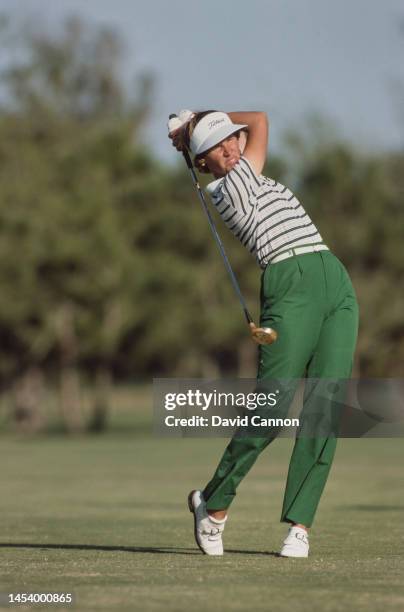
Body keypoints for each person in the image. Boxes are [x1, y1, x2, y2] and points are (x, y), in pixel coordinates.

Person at [169, 110, 359, 558]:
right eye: (217, 148)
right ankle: (213, 504)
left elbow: (257, 118)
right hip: (288, 284)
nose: (231, 148)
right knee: (272, 406)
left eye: (231, 140)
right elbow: (257, 124)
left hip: (333, 278)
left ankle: (300, 526)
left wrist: (198, 119)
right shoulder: (226, 187)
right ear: (203, 164)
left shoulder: (243, 167)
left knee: (325, 406)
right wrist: (195, 127)